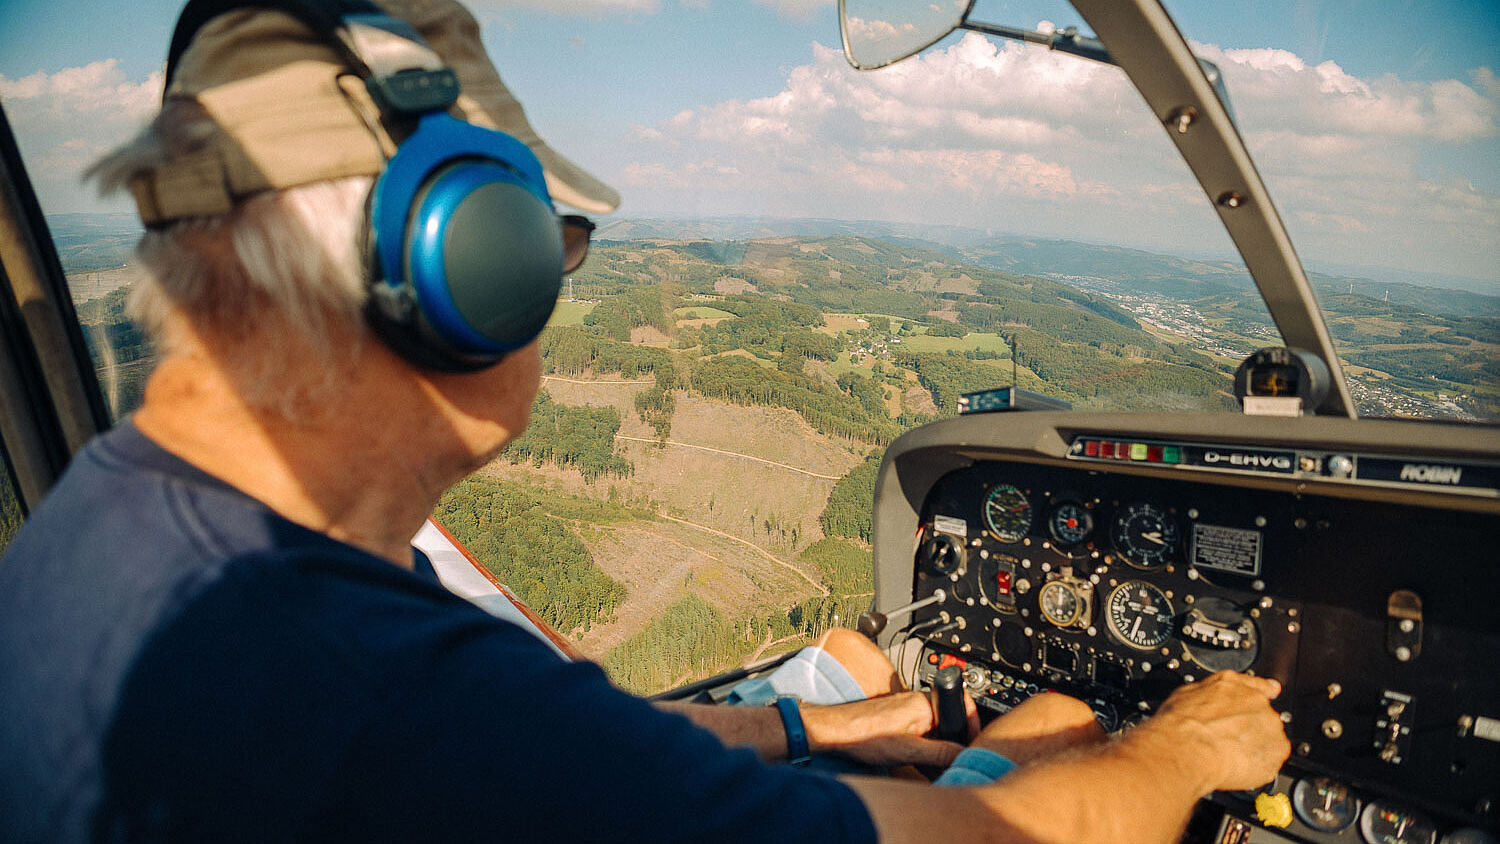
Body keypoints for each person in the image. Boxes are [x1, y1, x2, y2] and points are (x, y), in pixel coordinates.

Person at [0, 0, 1291, 841]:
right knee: (1054, 731)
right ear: (467, 262)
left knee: (896, 697)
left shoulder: (122, 511)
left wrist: (806, 725)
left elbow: (560, 742)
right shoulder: (378, 684)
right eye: (555, 242)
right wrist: (1184, 749)